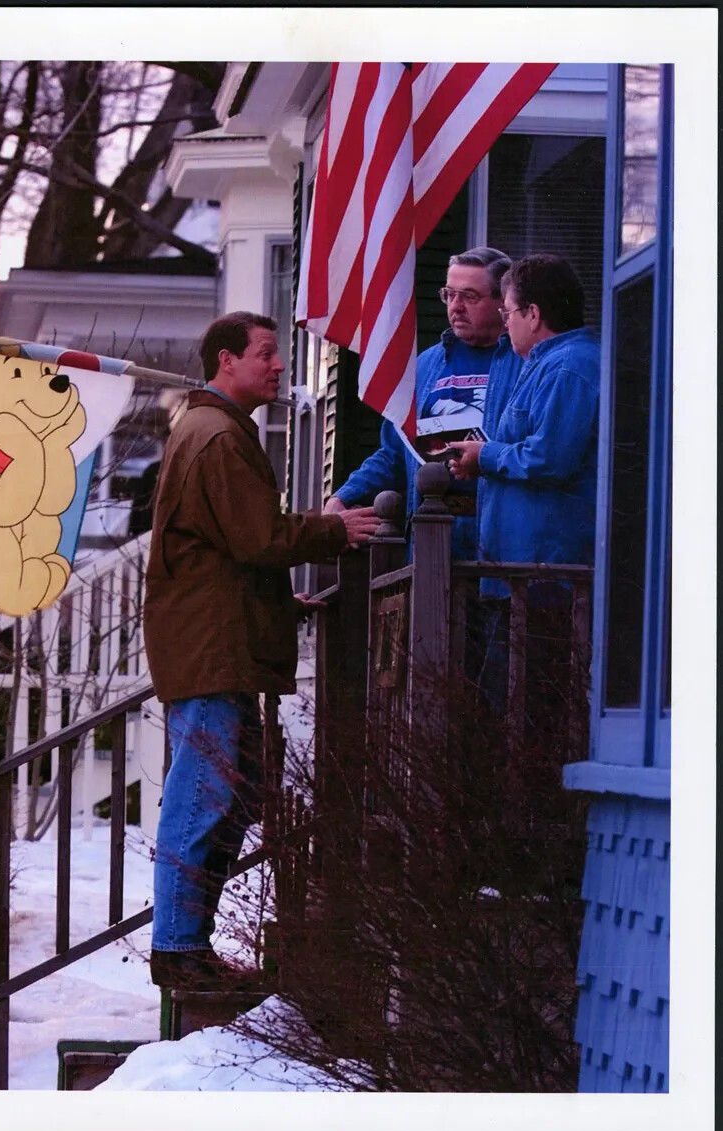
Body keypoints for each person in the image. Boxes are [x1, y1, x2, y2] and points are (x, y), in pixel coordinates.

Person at [143, 311, 381, 989]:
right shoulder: (216, 437)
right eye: (267, 354)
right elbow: (258, 538)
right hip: (211, 652)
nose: (280, 366)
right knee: (205, 794)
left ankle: (187, 943)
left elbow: (221, 551)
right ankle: (179, 950)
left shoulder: (210, 430)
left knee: (236, 793)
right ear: (226, 361)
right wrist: (336, 529)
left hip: (217, 642)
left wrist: (281, 601)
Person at [449, 254, 600, 739]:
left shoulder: (571, 369)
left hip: (544, 580)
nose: (504, 323)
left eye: (508, 313)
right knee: (504, 714)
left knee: (529, 723)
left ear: (533, 314)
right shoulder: (545, 365)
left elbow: (551, 457)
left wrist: (487, 457)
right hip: (516, 576)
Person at [323, 247, 522, 557]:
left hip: (500, 537)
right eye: (449, 294)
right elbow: (394, 451)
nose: (455, 307)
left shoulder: (525, 362)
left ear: (502, 303)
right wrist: (343, 496)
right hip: (432, 537)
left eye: (469, 297)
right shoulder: (426, 366)